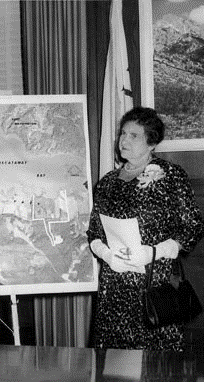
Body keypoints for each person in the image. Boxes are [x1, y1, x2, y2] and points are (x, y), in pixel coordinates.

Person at [87, 106, 204, 350]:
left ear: (152, 143)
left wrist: (152, 252)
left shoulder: (171, 176)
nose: (123, 140)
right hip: (114, 285)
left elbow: (192, 226)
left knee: (155, 361)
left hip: (154, 285)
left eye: (134, 135)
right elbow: (94, 232)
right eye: (122, 133)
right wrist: (107, 255)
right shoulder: (108, 182)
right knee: (114, 364)